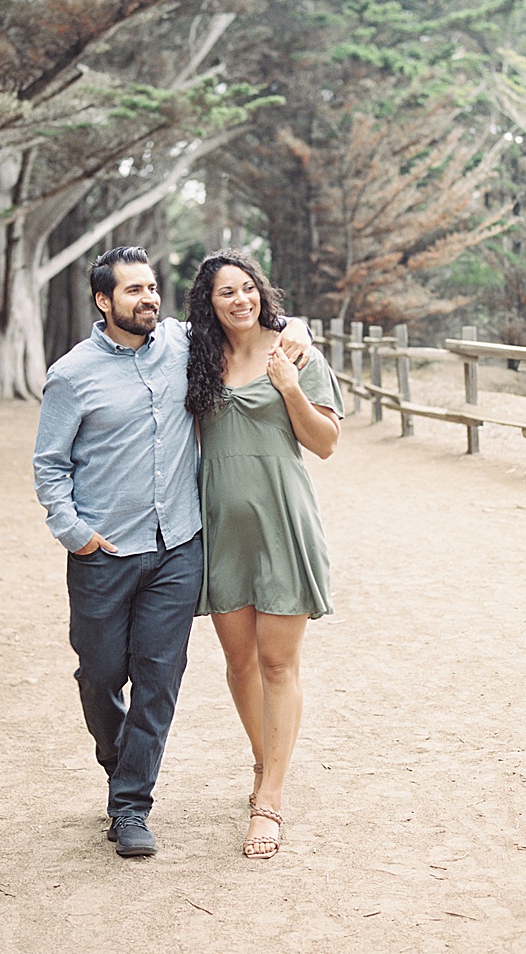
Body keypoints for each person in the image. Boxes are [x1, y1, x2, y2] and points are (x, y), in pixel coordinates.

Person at [32, 246, 308, 859]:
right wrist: (73, 530)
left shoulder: (183, 345)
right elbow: (49, 465)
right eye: (133, 291)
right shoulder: (72, 375)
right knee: (100, 675)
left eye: (152, 288)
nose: (148, 299)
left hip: (179, 546)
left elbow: (256, 319)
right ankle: (120, 760)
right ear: (104, 302)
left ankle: (130, 805)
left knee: (159, 678)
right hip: (103, 551)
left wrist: (299, 331)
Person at [184, 250, 340, 860]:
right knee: (240, 662)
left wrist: (290, 387)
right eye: (225, 292)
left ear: (261, 291)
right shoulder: (194, 355)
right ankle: (263, 761)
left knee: (279, 665)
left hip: (282, 520)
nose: (239, 300)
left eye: (247, 289)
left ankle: (269, 800)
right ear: (209, 302)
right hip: (221, 525)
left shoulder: (296, 353)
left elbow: (325, 443)